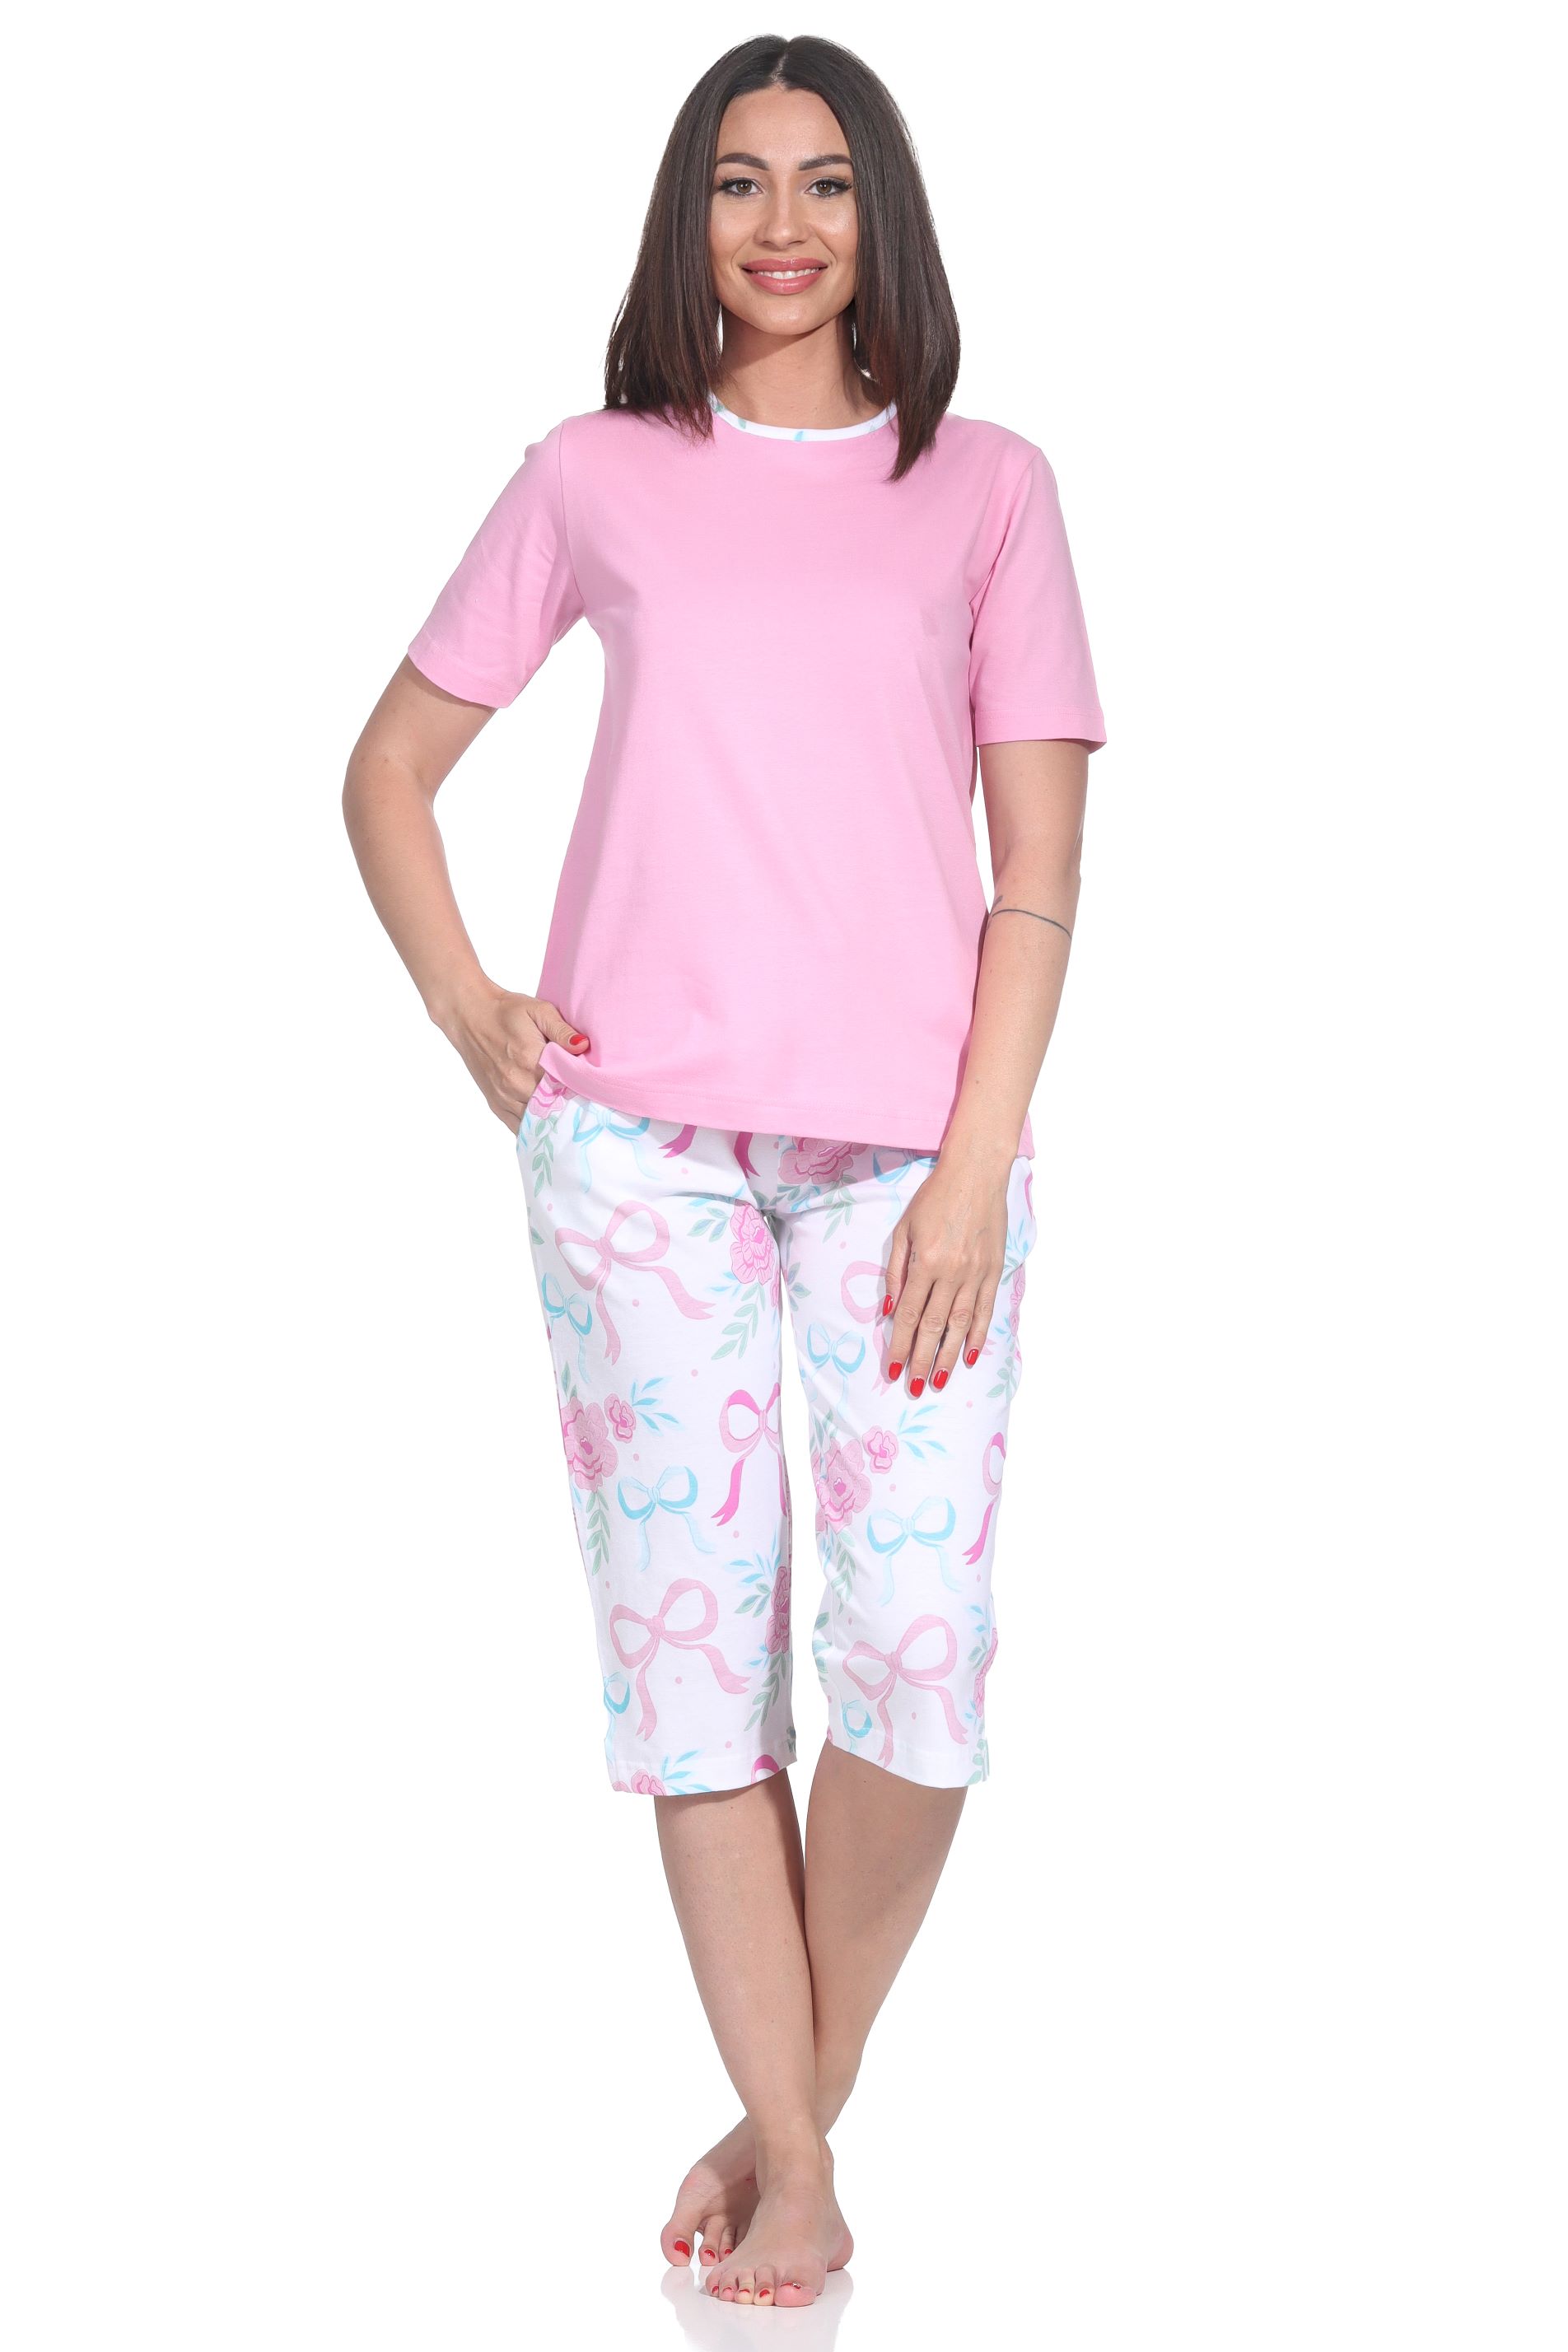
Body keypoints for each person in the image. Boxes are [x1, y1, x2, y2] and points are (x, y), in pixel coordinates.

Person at [343, 32, 1105, 2312]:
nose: (784, 225)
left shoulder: (989, 488)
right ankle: (806, 2172)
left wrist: (975, 1160)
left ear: (887, 219)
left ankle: (790, 2105)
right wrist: (472, 1009)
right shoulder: (592, 473)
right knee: (698, 1679)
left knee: (920, 1662)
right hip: (635, 1153)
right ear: (688, 216)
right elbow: (387, 769)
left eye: (829, 182)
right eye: (742, 182)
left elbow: (1039, 877)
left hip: (914, 1166)